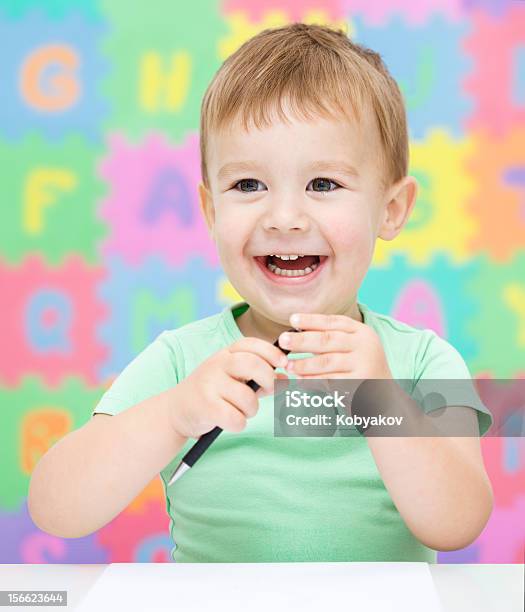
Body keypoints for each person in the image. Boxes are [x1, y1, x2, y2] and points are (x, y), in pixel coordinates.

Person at [28, 22, 494, 563]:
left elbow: (458, 524)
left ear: (391, 210)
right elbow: (55, 508)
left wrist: (380, 402)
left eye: (324, 184)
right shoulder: (183, 362)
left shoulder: (423, 361)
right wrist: (174, 414)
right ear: (211, 210)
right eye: (248, 185)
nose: (285, 218)